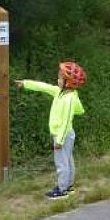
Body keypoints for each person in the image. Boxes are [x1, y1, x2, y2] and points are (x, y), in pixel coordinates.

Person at [15, 62, 87, 199]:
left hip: (63, 135)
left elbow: (66, 122)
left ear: (68, 83)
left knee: (61, 162)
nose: (57, 79)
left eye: (60, 77)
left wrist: (59, 140)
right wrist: (25, 83)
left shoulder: (68, 99)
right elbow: (43, 87)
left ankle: (62, 190)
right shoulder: (61, 92)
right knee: (68, 160)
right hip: (66, 134)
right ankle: (68, 186)